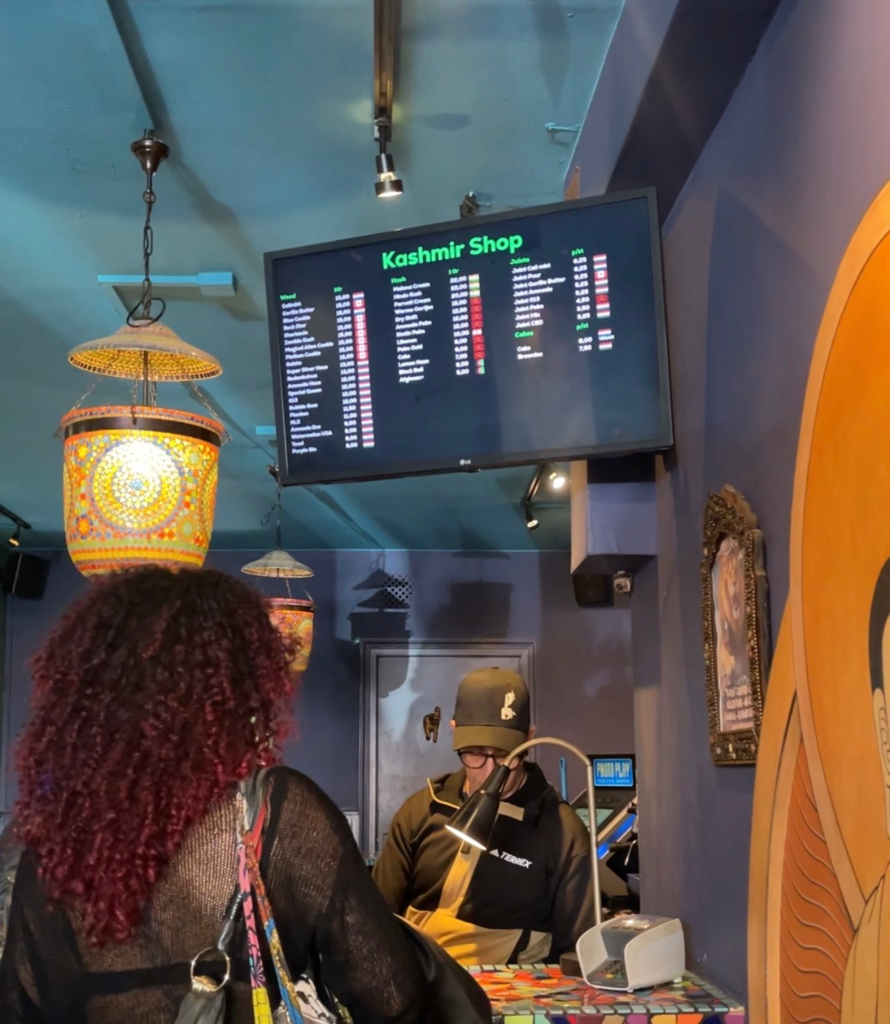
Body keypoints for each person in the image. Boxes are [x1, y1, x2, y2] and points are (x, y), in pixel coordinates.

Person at [0, 567, 430, 1023]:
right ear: (238, 688)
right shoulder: (282, 811)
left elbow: (19, 1006)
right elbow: (394, 999)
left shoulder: (61, 836)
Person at [373, 667, 594, 966]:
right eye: (475, 753)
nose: (491, 772)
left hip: (510, 990)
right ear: (454, 731)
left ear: (529, 739)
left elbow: (576, 956)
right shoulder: (422, 810)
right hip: (421, 983)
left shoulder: (563, 833)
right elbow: (375, 918)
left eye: (504, 755)